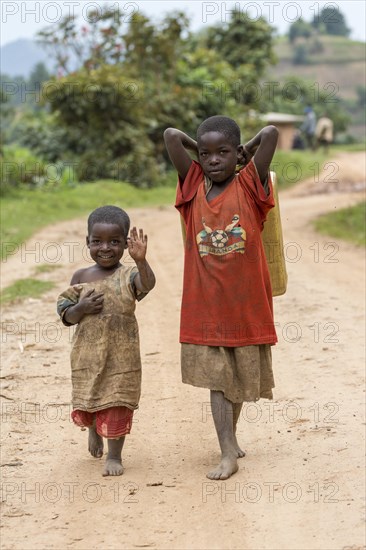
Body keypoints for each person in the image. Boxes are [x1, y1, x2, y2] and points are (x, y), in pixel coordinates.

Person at [164, 116, 279, 480]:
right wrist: (193, 149)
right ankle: (226, 449)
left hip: (246, 307)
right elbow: (170, 136)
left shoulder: (249, 184)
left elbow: (272, 134)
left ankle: (230, 437)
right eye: (206, 153)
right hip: (206, 307)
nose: (213, 159)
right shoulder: (193, 184)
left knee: (240, 380)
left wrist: (251, 149)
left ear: (237, 154)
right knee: (219, 380)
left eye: (223, 152)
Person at [57, 205, 155, 476]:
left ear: (126, 243)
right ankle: (92, 430)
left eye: (114, 241)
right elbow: (66, 315)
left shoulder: (129, 275)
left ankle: (114, 455)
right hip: (87, 356)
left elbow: (147, 285)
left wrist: (142, 261)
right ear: (87, 242)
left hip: (122, 357)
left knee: (117, 402)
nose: (105, 248)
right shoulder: (81, 277)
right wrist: (81, 308)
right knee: (91, 397)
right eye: (97, 241)